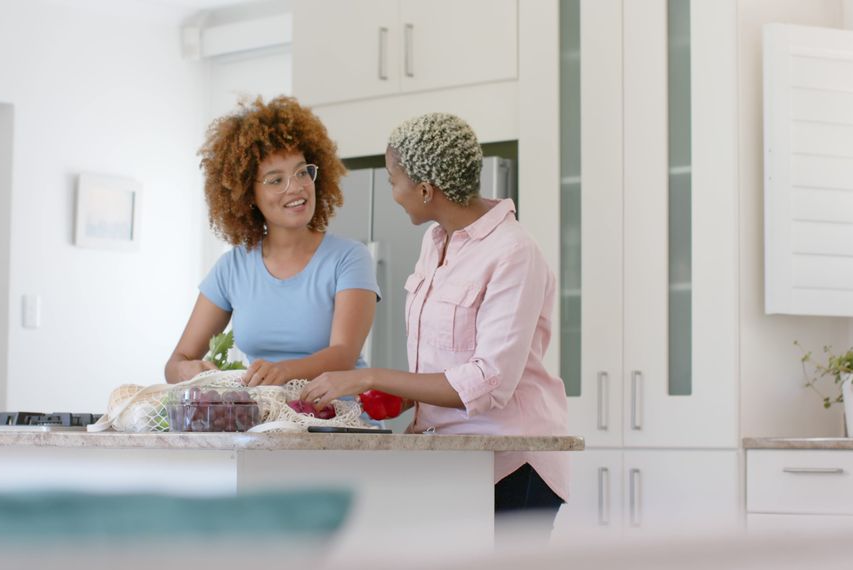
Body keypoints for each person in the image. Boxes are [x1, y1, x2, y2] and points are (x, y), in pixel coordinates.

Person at [299, 112, 570, 528]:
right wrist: (407, 397)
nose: (392, 193)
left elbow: (486, 382)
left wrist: (372, 377)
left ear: (426, 189)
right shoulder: (435, 241)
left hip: (510, 465)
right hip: (450, 458)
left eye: (393, 181)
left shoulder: (514, 252)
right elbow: (450, 365)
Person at [165, 96, 380, 386]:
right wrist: (187, 371)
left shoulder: (349, 257)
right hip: (265, 422)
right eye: (276, 180)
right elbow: (177, 362)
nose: (297, 187)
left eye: (302, 171)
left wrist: (284, 371)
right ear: (246, 194)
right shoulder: (233, 267)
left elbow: (343, 355)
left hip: (337, 421)